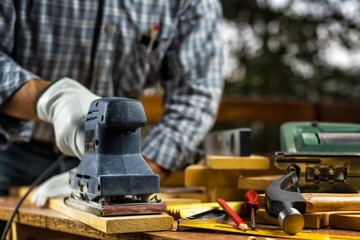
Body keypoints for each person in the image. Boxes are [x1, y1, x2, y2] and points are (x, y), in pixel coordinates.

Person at [0, 0, 223, 207]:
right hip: (14, 151)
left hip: (115, 163)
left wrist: (131, 175)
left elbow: (195, 96)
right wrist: (49, 99)